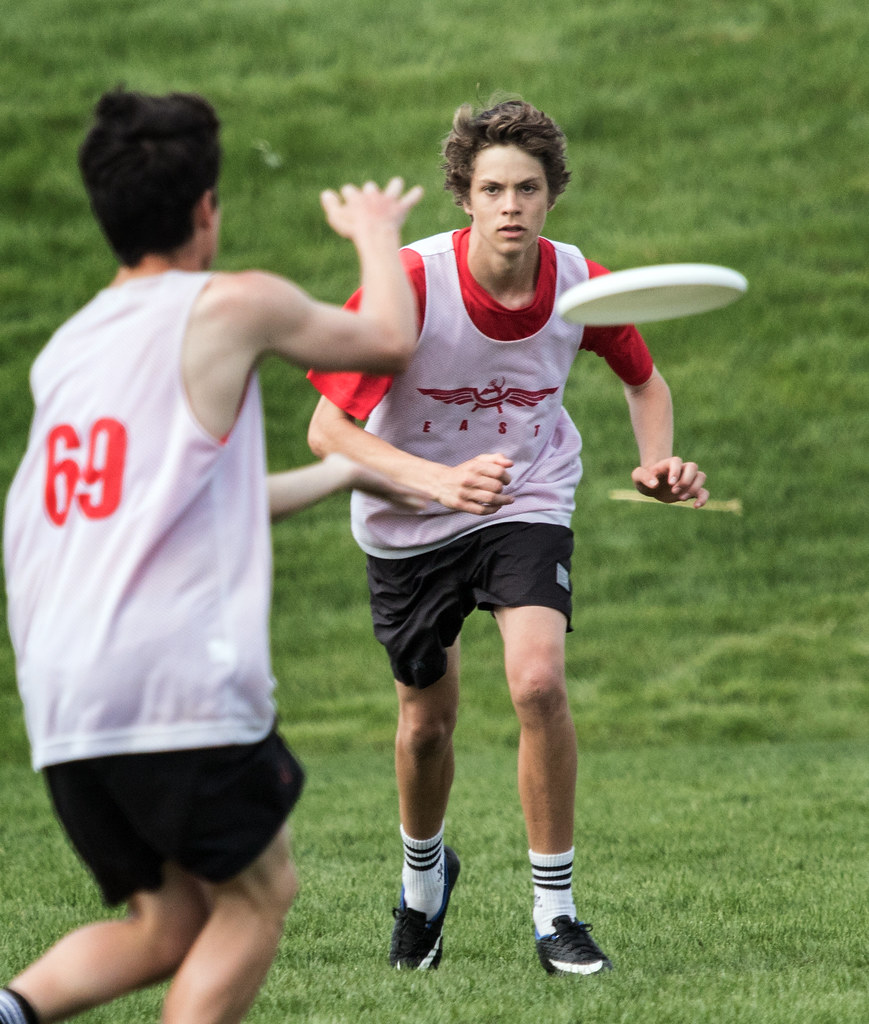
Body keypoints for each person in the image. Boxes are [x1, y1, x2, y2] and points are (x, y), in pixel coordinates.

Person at [0, 86, 424, 1024]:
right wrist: (375, 231)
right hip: (169, 681)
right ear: (205, 210)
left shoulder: (67, 349)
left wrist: (342, 475)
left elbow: (167, 509)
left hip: (63, 692)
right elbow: (390, 343)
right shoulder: (231, 303)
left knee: (168, 923)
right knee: (260, 897)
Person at [306, 97, 709, 976]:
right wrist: (438, 482)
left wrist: (656, 463)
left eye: (527, 187)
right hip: (408, 519)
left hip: (526, 497)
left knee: (537, 684)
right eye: (492, 189)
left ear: (551, 194)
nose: (511, 206)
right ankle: (422, 887)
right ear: (464, 196)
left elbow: (644, 382)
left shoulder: (580, 283)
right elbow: (327, 433)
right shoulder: (412, 282)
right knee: (425, 725)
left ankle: (555, 914)